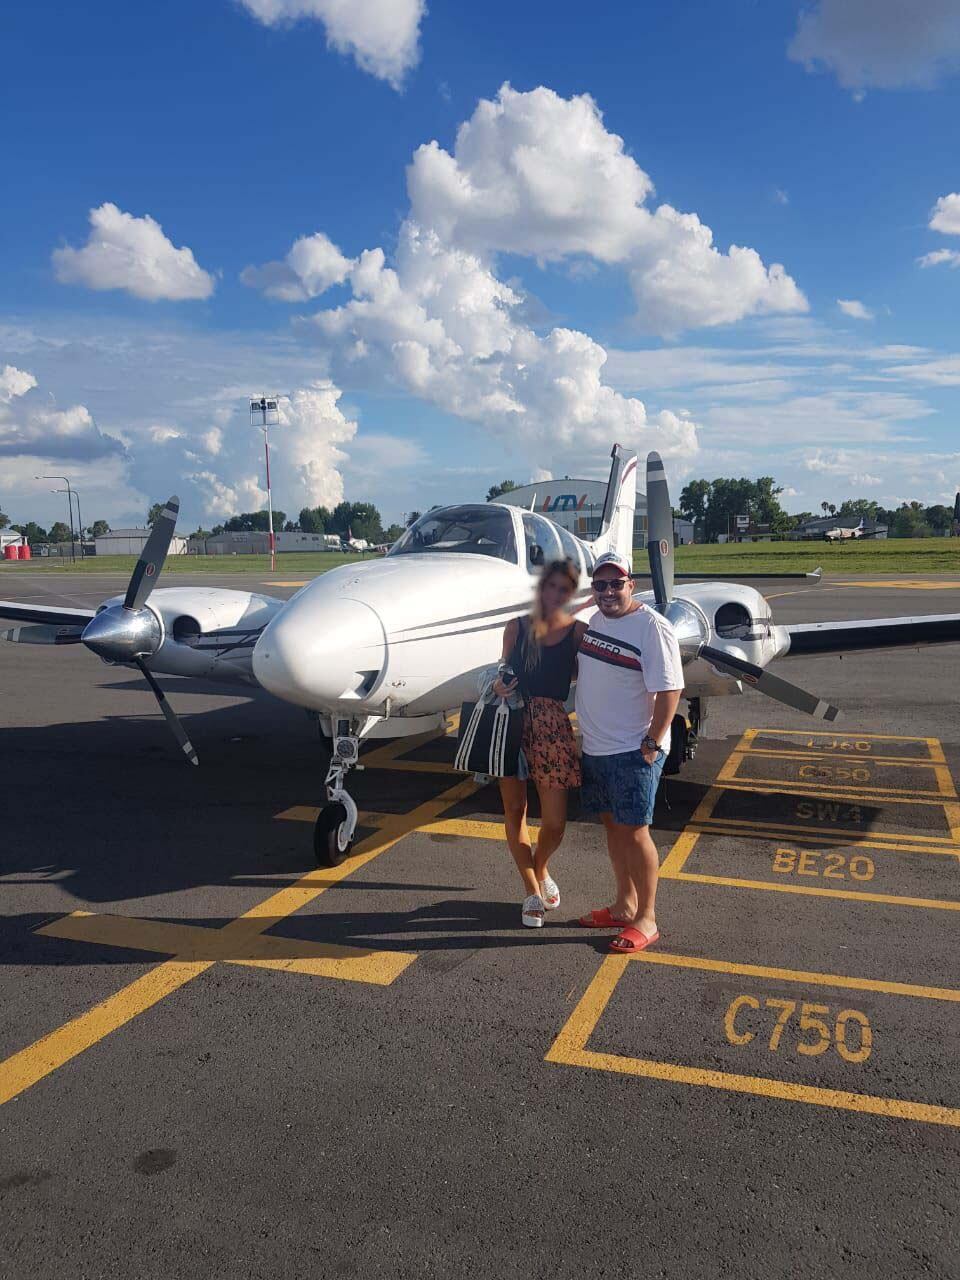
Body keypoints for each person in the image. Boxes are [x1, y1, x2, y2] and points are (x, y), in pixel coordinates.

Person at [574, 550, 683, 953]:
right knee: (613, 828)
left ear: (631, 585)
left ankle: (647, 918)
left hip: (633, 749)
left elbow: (671, 689)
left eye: (615, 583)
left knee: (636, 833)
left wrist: (653, 743)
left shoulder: (652, 627)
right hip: (597, 748)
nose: (607, 591)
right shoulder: (596, 622)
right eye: (599, 584)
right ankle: (624, 904)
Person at [493, 559, 585, 928]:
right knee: (515, 811)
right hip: (512, 722)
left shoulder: (579, 632)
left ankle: (541, 865)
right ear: (540, 588)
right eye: (550, 586)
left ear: (570, 593)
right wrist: (498, 683)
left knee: (556, 822)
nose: (554, 594)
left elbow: (589, 673)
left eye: (563, 589)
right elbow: (501, 668)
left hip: (552, 727)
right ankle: (531, 890)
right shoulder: (516, 627)